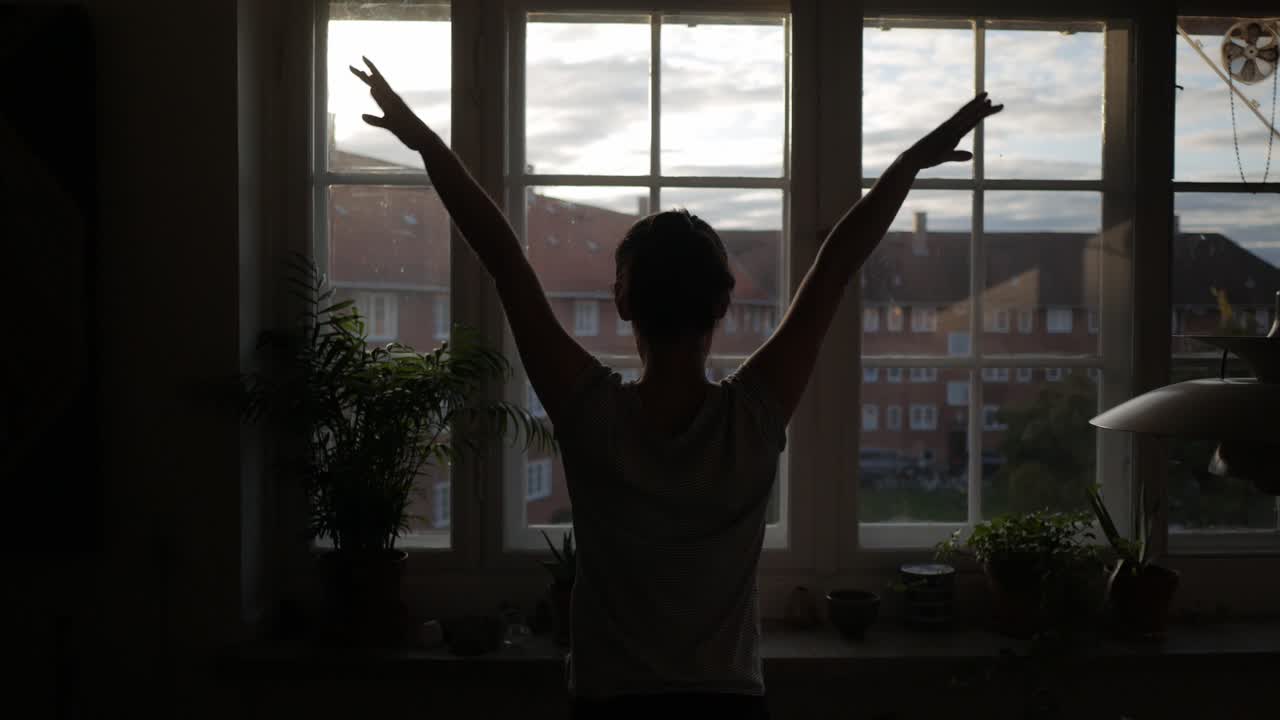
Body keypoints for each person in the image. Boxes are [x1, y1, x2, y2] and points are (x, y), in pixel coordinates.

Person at [352, 56, 1001, 718]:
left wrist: (425, 142)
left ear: (623, 302)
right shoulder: (751, 418)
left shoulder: (590, 414)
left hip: (612, 702)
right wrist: (912, 162)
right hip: (728, 704)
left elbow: (505, 259)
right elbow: (835, 262)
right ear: (723, 306)